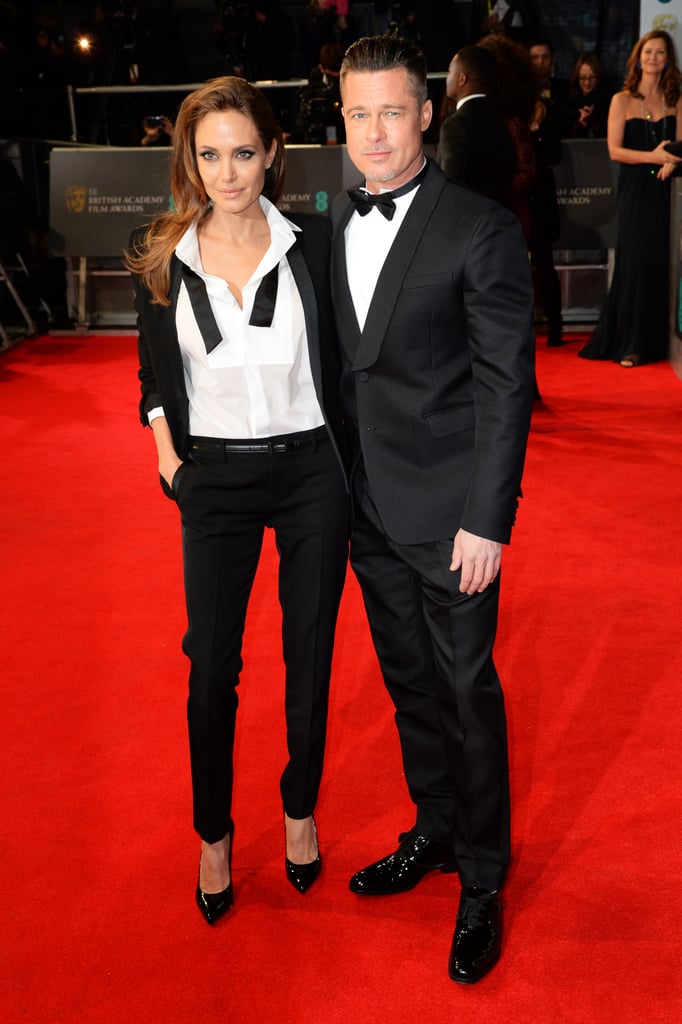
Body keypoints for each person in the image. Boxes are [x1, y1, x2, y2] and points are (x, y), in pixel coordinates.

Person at [332, 35, 535, 984]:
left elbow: (505, 386)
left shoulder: (480, 227)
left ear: (426, 114)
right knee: (410, 685)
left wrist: (489, 521)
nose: (374, 133)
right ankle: (435, 831)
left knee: (467, 695)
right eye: (356, 113)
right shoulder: (331, 217)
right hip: (367, 509)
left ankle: (485, 878)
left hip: (454, 517)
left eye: (390, 111)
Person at [125, 76, 349, 926]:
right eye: (210, 154)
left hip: (309, 476)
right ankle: (213, 833)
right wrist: (172, 466)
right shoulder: (160, 251)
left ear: (272, 153)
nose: (228, 173)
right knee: (213, 666)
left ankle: (299, 812)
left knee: (310, 654)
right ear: (189, 159)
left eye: (243, 153)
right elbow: (154, 377)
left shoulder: (315, 243)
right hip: (212, 480)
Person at [579, 30, 682, 367]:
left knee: (665, 259)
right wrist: (655, 158)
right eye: (648, 51)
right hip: (636, 189)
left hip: (669, 189)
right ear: (639, 57)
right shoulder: (621, 100)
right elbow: (615, 150)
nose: (654, 58)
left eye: (661, 52)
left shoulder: (676, 98)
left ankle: (664, 342)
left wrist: (670, 161)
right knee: (637, 260)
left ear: (669, 59)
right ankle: (634, 343)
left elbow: (680, 146)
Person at [437, 44, 517, 204]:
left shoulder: (456, 125)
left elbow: (450, 187)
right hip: (498, 216)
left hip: (466, 221)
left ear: (462, 79)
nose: (447, 78)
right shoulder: (501, 118)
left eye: (450, 72)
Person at [561, 53, 612, 139]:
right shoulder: (568, 100)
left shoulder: (607, 99)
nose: (587, 82)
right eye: (583, 78)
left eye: (592, 77)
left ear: (598, 77)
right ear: (577, 77)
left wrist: (594, 121)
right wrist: (581, 123)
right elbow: (563, 134)